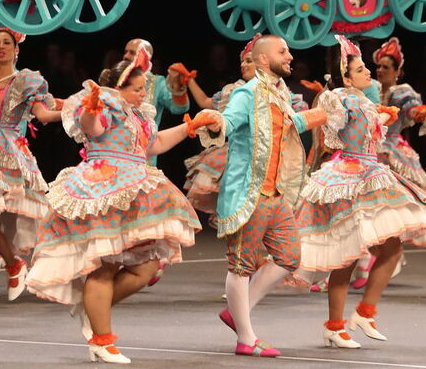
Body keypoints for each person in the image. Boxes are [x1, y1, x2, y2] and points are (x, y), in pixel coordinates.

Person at [26, 47, 205, 364]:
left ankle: (91, 309)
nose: (141, 94)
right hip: (105, 186)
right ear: (119, 88)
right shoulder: (108, 104)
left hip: (134, 186)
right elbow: (93, 128)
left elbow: (156, 145)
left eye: (142, 89)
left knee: (146, 266)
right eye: (136, 89)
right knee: (105, 264)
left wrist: (192, 126)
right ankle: (101, 340)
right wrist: (91, 109)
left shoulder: (138, 115)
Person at [294, 36, 426, 349]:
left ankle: (365, 313)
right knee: (346, 258)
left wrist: (384, 116)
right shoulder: (340, 99)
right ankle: (335, 325)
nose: (369, 73)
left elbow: (368, 130)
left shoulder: (363, 100)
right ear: (346, 76)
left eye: (366, 68)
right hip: (350, 176)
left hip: (372, 173)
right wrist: (297, 119)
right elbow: (326, 124)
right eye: (361, 69)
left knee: (392, 250)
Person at [196, 34, 326, 357]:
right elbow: (226, 122)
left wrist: (325, 112)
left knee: (289, 257)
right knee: (241, 265)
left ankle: (238, 311)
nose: (290, 56)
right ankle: (246, 337)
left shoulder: (280, 95)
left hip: (276, 195)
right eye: (282, 51)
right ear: (264, 59)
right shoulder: (247, 93)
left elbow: (292, 122)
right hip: (249, 194)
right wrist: (214, 123)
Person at [0, 26, 62, 303]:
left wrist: (77, 111)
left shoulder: (26, 80)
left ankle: (13, 264)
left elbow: (43, 113)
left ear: (16, 48)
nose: (1, 47)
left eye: (7, 42)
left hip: (4, 151)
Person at [183, 34, 310, 221]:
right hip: (249, 172)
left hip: (276, 173)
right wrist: (216, 122)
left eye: (248, 61)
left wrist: (320, 109)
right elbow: (223, 116)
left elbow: (294, 121)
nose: (244, 65)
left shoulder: (280, 91)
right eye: (243, 62)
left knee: (287, 244)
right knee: (247, 240)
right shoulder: (241, 92)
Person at [122, 39, 189, 167]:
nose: (126, 56)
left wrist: (178, 87)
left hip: (144, 160)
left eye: (132, 53)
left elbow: (178, 108)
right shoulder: (118, 80)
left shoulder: (156, 82)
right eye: (125, 52)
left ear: (147, 56)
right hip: (115, 155)